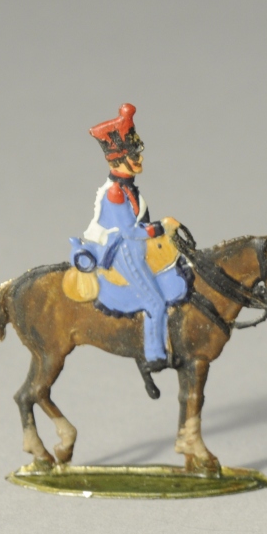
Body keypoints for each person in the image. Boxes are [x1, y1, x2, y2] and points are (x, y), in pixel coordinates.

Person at [80, 104, 178, 371]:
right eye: (134, 155)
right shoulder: (115, 193)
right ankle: (154, 354)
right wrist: (160, 228)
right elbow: (130, 232)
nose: (140, 158)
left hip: (135, 245)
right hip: (122, 250)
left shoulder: (129, 189)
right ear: (117, 159)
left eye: (138, 152)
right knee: (155, 302)